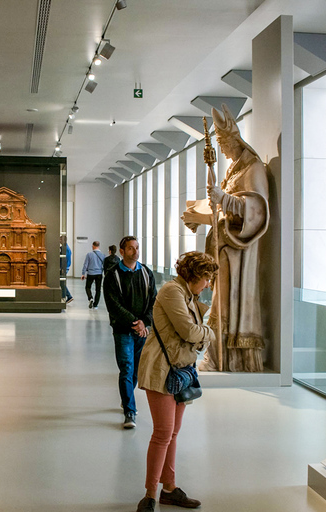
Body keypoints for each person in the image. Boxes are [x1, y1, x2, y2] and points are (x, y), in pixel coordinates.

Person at [184, 104, 270, 372]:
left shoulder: (253, 168)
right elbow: (222, 207)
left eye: (223, 144)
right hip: (225, 250)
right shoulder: (233, 169)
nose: (222, 150)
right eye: (219, 144)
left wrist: (225, 199)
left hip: (239, 251)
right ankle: (218, 355)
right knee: (221, 300)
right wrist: (202, 213)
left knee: (229, 302)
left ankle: (231, 358)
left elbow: (257, 210)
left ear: (234, 140)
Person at [134, 251, 218, 512]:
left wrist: (200, 335)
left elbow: (193, 334)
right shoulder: (173, 292)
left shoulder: (188, 295)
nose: (208, 284)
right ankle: (149, 495)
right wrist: (211, 333)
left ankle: (169, 488)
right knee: (162, 434)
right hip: (161, 369)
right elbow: (189, 331)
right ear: (193, 275)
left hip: (180, 370)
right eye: (206, 278)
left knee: (172, 433)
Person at [103, 236, 157, 429]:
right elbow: (113, 304)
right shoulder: (113, 275)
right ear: (122, 252)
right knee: (126, 368)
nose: (135, 252)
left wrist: (145, 322)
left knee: (135, 370)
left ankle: (127, 397)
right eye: (131, 249)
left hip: (142, 331)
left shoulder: (146, 273)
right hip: (123, 331)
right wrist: (135, 322)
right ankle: (129, 411)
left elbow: (153, 301)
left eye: (137, 248)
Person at [81, 240, 105, 309]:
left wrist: (83, 273)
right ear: (99, 246)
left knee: (88, 287)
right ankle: (96, 305)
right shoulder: (103, 255)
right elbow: (104, 266)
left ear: (93, 246)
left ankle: (90, 298)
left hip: (90, 273)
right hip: (99, 274)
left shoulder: (89, 254)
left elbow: (85, 265)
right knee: (98, 289)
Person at [60, 235, 73, 304]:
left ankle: (68, 296)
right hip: (64, 268)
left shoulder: (66, 249)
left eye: (60, 240)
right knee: (62, 282)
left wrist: (63, 268)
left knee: (62, 282)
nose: (59, 241)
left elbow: (65, 260)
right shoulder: (64, 248)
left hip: (65, 268)